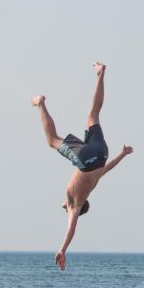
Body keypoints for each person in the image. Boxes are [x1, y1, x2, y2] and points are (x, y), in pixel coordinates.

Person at [31, 63, 134, 270]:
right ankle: (40, 103)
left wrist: (122, 154)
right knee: (52, 140)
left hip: (102, 154)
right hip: (87, 160)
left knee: (93, 114)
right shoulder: (75, 205)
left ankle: (100, 73)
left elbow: (109, 167)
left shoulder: (93, 183)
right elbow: (72, 229)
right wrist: (62, 249)